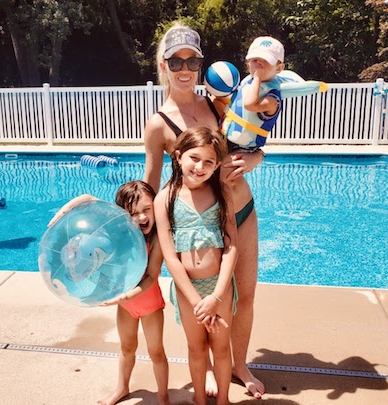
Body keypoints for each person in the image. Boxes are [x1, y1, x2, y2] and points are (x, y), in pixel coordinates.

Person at [143, 22, 266, 399]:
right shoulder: (158, 124)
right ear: (163, 65)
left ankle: (239, 364)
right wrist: (142, 239)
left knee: (244, 295)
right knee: (208, 294)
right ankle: (214, 367)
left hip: (241, 210)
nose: (185, 69)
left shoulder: (217, 102)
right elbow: (151, 184)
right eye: (176, 61)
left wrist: (256, 158)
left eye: (192, 61)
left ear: (200, 65)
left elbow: (252, 140)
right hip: (203, 222)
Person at [48, 182, 169, 405]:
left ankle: (163, 397)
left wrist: (126, 296)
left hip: (148, 303)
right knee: (126, 348)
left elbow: (151, 276)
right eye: (133, 213)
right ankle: (121, 388)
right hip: (126, 305)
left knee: (156, 352)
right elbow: (87, 198)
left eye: (146, 210)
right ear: (122, 215)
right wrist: (63, 212)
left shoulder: (157, 239)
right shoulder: (119, 234)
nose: (141, 217)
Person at [154, 126, 238, 405]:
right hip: (188, 292)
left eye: (209, 162)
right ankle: (201, 401)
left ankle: (223, 400)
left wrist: (215, 297)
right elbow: (170, 256)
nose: (200, 166)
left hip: (219, 288)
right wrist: (196, 301)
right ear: (178, 157)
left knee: (221, 348)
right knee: (197, 349)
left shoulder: (222, 193)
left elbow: (231, 247)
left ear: (216, 167)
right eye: (194, 158)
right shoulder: (165, 199)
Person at [220, 36, 284, 153]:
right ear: (248, 65)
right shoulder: (247, 83)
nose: (259, 62)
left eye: (266, 60)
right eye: (255, 60)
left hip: (242, 149)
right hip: (225, 138)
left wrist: (257, 79)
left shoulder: (273, 99)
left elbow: (249, 105)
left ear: (279, 68)